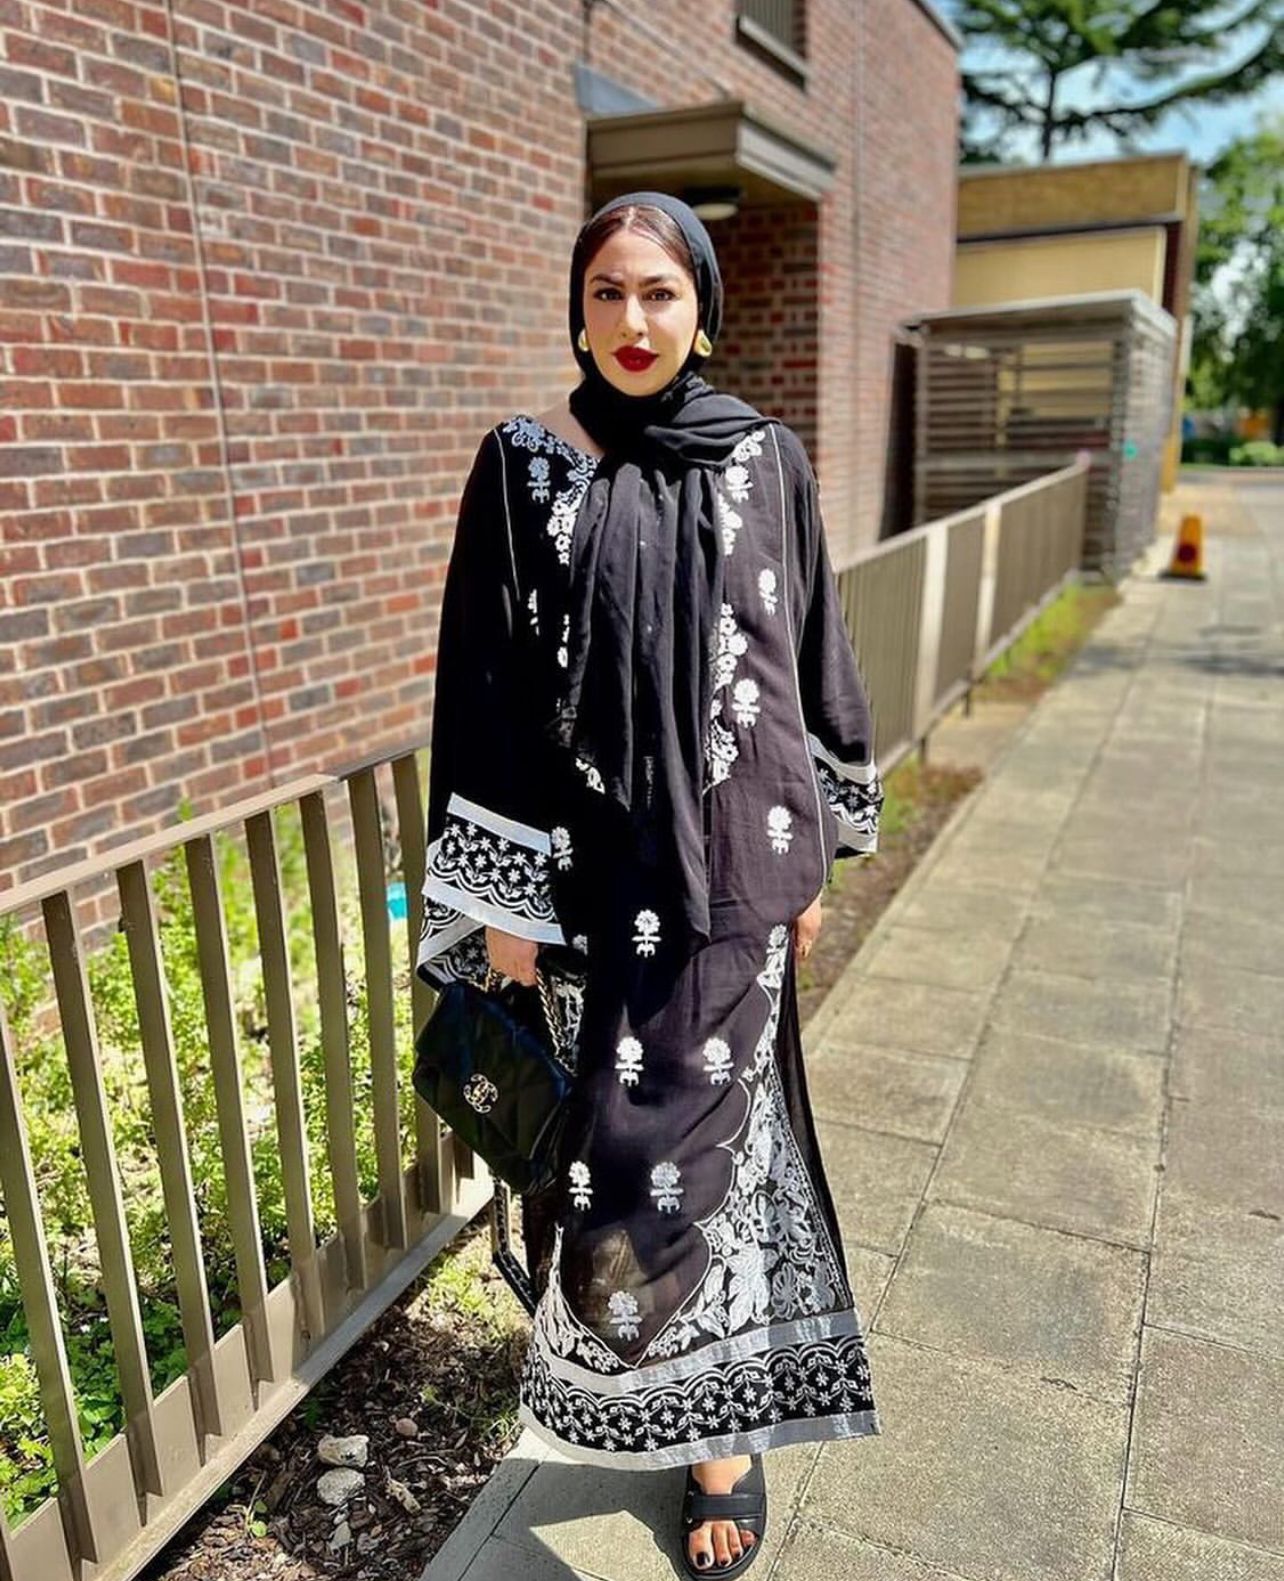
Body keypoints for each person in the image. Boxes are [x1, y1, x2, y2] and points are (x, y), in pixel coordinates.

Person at [417, 191, 883, 1578]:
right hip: (579, 903)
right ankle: (625, 1383)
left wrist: (812, 848)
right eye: (608, 292)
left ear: (702, 312)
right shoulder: (527, 468)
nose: (633, 320)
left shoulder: (765, 459)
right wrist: (500, 906)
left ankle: (721, 1443)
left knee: (724, 1170)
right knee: (610, 1168)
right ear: (578, 311)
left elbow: (805, 655)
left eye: (660, 293)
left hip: (735, 897)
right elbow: (488, 691)